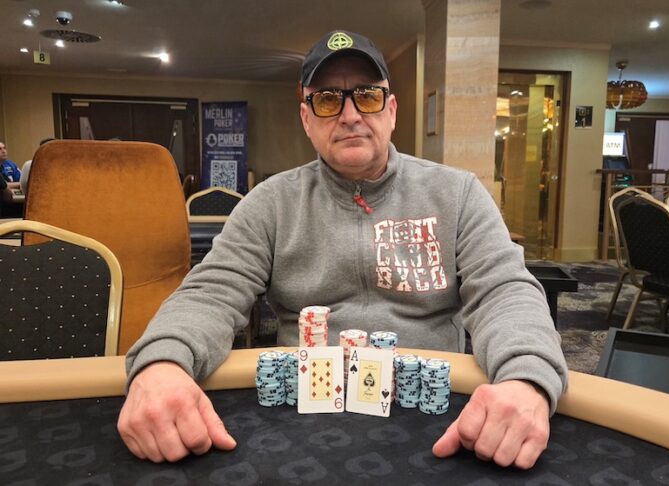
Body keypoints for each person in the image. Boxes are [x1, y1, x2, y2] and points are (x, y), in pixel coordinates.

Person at [118, 30, 568, 469]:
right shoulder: (269, 203)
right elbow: (211, 293)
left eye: (367, 96)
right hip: (300, 422)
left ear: (392, 111)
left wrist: (526, 378)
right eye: (328, 100)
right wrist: (161, 363)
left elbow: (505, 291)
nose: (350, 115)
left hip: (438, 419)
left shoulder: (459, 193)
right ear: (306, 118)